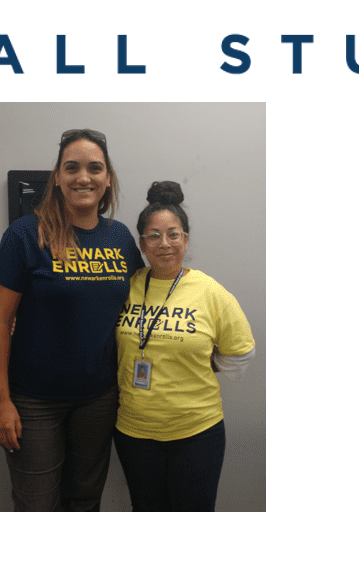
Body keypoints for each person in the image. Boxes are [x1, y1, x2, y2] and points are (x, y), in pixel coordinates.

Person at [0, 128, 143, 511]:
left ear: (108, 179)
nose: (83, 177)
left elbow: (143, 304)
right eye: (71, 168)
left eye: (94, 168)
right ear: (57, 177)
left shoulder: (119, 237)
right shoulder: (25, 234)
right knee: (37, 506)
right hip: (34, 403)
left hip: (100, 399)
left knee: (85, 502)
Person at [112, 181, 256, 511]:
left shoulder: (209, 291)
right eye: (154, 235)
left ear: (186, 239)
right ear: (142, 243)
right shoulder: (127, 286)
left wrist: (208, 364)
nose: (164, 244)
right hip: (135, 432)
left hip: (196, 432)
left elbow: (241, 351)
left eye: (173, 234)